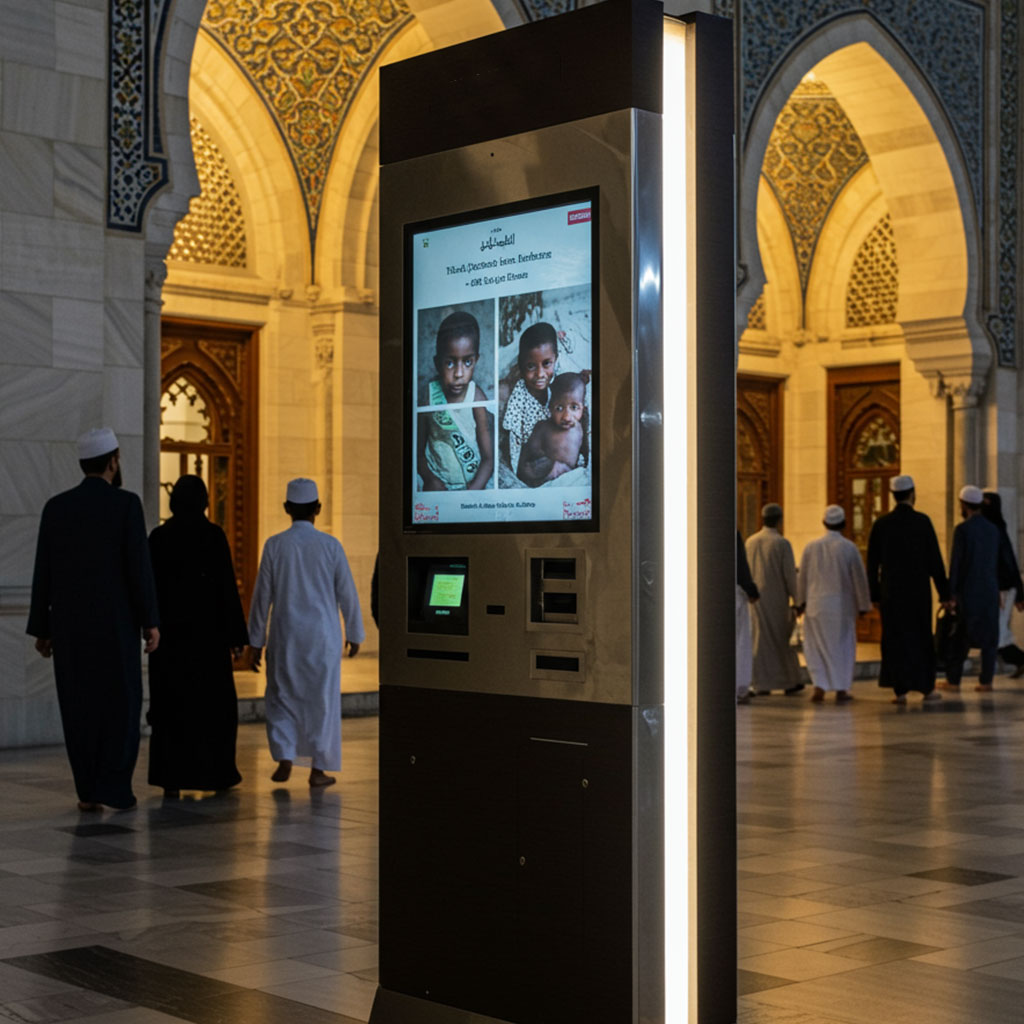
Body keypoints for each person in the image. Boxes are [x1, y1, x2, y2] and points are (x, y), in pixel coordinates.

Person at [26, 427, 160, 811]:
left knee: (79, 705)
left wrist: (42, 628)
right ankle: (114, 787)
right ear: (114, 460)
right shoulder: (126, 505)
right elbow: (139, 569)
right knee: (121, 705)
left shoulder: (57, 507)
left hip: (70, 629)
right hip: (116, 627)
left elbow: (43, 573)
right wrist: (150, 620)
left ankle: (88, 791)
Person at [248, 478, 365, 787]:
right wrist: (354, 633)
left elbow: (262, 597)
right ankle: (317, 770)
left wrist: (256, 641)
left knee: (282, 698)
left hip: (286, 636)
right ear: (318, 509)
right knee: (322, 703)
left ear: (287, 509)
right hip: (322, 638)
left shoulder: (275, 545)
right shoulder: (330, 546)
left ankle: (285, 757)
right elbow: (347, 594)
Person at [147, 475, 248, 797]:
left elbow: (149, 590)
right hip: (208, 642)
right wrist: (235, 637)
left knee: (172, 710)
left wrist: (148, 625)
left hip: (170, 644)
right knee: (212, 711)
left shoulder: (159, 538)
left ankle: (171, 778)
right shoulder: (213, 536)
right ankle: (216, 775)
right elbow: (227, 591)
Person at [866, 474, 949, 704]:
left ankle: (900, 690)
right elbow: (935, 561)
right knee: (921, 636)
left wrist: (873, 594)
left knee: (895, 638)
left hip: (891, 592)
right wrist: (945, 592)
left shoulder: (882, 524)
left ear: (893, 496)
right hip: (917, 591)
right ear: (913, 494)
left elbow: (872, 564)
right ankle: (926, 687)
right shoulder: (922, 522)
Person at [944, 485, 1019, 693]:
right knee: (989, 637)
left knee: (960, 638)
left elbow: (956, 564)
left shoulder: (963, 530)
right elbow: (1002, 561)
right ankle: (986, 681)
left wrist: (951, 594)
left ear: (963, 505)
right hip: (990, 589)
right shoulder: (993, 529)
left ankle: (953, 680)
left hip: (969, 590)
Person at [796, 505, 871, 703]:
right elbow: (859, 579)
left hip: (815, 606)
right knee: (843, 648)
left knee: (816, 647)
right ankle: (841, 689)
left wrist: (800, 602)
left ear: (824, 523)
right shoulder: (848, 547)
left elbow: (802, 577)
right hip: (841, 607)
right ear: (844, 524)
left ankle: (819, 686)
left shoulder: (811, 547)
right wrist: (864, 605)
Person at [418, 311, 494, 491]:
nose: (459, 373)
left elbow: (488, 460)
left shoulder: (477, 398)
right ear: (437, 363)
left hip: (471, 484)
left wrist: (472, 490)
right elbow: (417, 454)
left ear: (477, 360)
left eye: (467, 362)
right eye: (450, 363)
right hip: (437, 483)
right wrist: (430, 479)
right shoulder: (428, 396)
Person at [745, 503, 802, 695]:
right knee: (780, 640)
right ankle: (787, 681)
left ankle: (761, 683)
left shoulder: (750, 542)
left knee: (760, 642)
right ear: (779, 520)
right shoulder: (781, 543)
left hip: (755, 600)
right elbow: (790, 576)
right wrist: (798, 600)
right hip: (777, 600)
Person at [502, 321, 559, 475]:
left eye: (546, 364)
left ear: (556, 359)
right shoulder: (518, 398)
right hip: (532, 460)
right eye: (531, 366)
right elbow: (515, 444)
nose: (540, 374)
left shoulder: (559, 381)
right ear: (521, 365)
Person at [517, 372, 588, 486]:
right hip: (546, 476)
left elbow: (585, 450)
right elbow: (527, 457)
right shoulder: (542, 427)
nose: (567, 417)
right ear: (550, 407)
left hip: (570, 479)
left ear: (583, 408)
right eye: (559, 408)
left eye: (574, 407)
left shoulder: (581, 427)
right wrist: (548, 466)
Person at [980, 490, 1024, 676]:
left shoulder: (994, 530)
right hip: (999, 588)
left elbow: (1008, 563)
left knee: (997, 632)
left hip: (1002, 589)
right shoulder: (995, 529)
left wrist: (1017, 593)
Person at [736, 530, 759, 705]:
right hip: (734, 593)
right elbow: (740, 564)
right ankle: (740, 688)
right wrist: (750, 589)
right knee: (740, 643)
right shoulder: (730, 530)